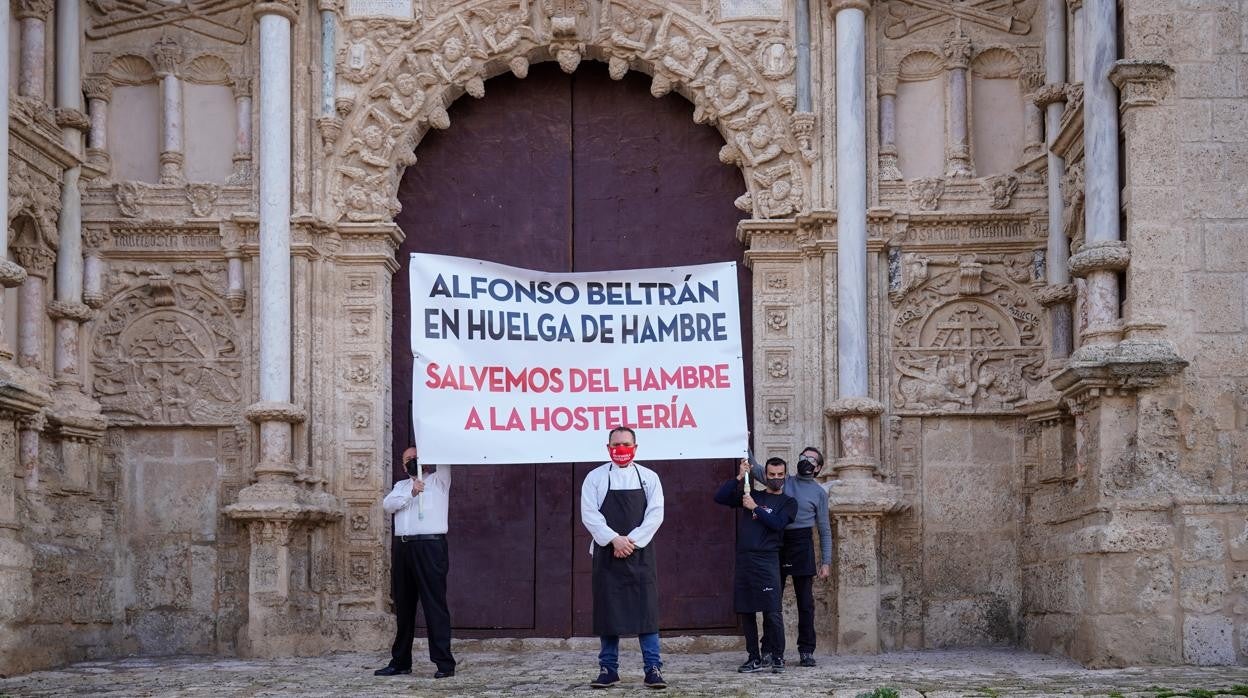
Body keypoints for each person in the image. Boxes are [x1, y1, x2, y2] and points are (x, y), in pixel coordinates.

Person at [580, 426, 667, 690]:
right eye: (616, 445)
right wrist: (613, 539)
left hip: (640, 554)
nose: (621, 449)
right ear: (608, 448)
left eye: (626, 444)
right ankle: (608, 669)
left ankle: (653, 668)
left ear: (636, 447)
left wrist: (631, 541)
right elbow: (589, 514)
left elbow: (656, 514)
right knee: (608, 612)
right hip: (607, 553)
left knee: (647, 612)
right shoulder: (594, 478)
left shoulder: (649, 477)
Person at [375, 445, 456, 679]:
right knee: (404, 606)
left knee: (434, 605)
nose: (411, 461)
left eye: (416, 457)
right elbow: (388, 505)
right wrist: (411, 491)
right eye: (407, 459)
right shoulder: (401, 487)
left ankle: (444, 663)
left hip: (430, 547)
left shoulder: (439, 480)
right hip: (404, 547)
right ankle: (400, 661)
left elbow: (445, 454)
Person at [751, 446, 832, 667]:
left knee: (805, 602)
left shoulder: (819, 493)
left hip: (803, 543)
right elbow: (756, 468)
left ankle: (806, 650)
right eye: (803, 457)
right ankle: (768, 649)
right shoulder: (783, 480)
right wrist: (744, 440)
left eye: (811, 459)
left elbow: (824, 529)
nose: (805, 461)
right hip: (777, 541)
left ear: (819, 467)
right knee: (771, 599)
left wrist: (826, 562)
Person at [715, 457, 796, 674]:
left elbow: (777, 524)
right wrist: (740, 476)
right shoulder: (753, 494)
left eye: (780, 475)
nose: (776, 479)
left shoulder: (788, 502)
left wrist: (756, 509)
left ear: (785, 476)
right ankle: (754, 657)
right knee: (746, 610)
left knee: (772, 611)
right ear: (765, 476)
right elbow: (720, 497)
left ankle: (778, 657)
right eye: (772, 475)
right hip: (745, 560)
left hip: (768, 559)